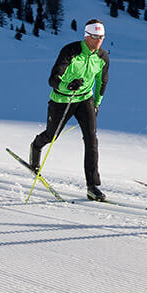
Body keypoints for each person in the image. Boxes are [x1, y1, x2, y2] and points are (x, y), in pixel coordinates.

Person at [29, 19, 110, 202]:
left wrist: (96, 103)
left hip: (85, 100)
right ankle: (36, 146)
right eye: (95, 37)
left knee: (91, 140)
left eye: (102, 37)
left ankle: (92, 186)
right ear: (87, 36)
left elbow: (102, 81)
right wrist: (68, 85)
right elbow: (53, 79)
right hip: (62, 100)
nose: (99, 41)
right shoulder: (70, 51)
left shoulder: (102, 57)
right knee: (52, 135)